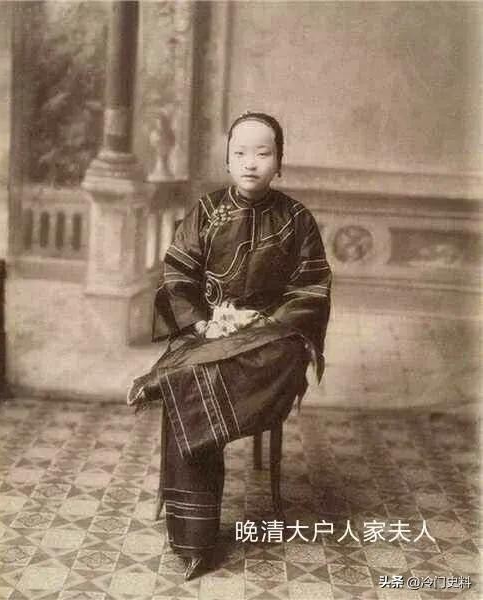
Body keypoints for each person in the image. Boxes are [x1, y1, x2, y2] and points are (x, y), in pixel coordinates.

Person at [127, 111, 331, 579]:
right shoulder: (206, 211)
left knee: (200, 377)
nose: (251, 162)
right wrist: (203, 323)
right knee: (195, 375)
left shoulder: (297, 220)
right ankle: (194, 539)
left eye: (263, 153)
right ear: (226, 160)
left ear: (280, 161)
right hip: (209, 335)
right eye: (240, 152)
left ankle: (165, 380)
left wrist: (261, 322)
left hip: (268, 344)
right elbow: (177, 276)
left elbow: (312, 290)